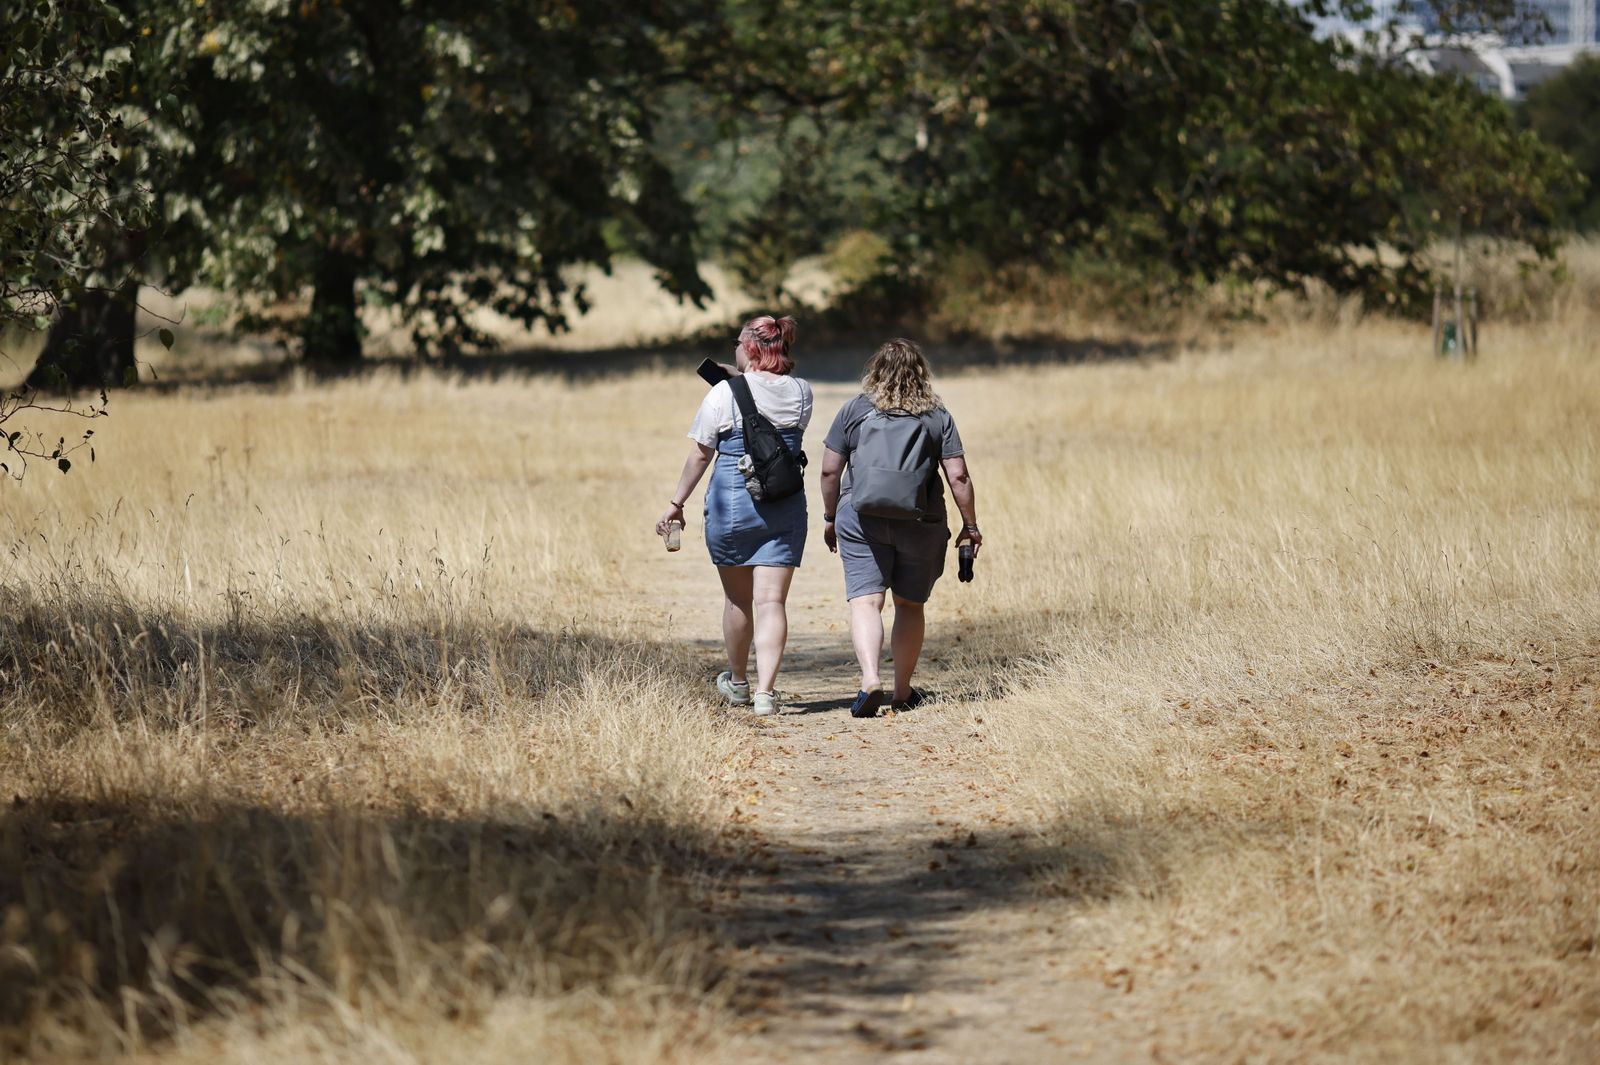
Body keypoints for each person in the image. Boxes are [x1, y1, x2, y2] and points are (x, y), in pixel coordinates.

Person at [656, 315, 812, 717]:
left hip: (733, 502)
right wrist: (740, 378)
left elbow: (701, 454)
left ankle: (739, 682)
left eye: (737, 344)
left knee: (738, 600)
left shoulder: (722, 394)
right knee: (772, 601)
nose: (735, 350)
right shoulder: (802, 391)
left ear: (751, 348)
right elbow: (769, 403)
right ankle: (766, 693)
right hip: (784, 503)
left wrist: (676, 503)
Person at [819, 338, 981, 718]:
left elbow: (829, 470)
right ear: (920, 372)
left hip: (861, 519)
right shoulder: (936, 415)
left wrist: (830, 517)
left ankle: (870, 679)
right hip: (921, 522)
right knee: (909, 604)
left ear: (875, 370)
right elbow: (957, 476)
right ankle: (902, 691)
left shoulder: (855, 410)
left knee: (866, 601)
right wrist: (970, 525)